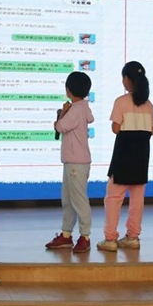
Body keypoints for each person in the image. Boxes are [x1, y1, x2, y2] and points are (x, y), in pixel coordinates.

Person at [98, 61, 153, 252]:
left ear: (128, 79)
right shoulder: (149, 105)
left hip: (123, 155)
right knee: (137, 200)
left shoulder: (120, 101)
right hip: (141, 156)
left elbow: (116, 128)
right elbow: (152, 130)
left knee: (113, 198)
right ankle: (133, 237)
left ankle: (110, 238)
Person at [46, 72, 94, 253]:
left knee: (78, 200)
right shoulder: (82, 108)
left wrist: (63, 113)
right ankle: (66, 235)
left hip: (76, 162)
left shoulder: (75, 109)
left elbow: (60, 127)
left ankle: (85, 236)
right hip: (72, 161)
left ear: (68, 90)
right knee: (68, 200)